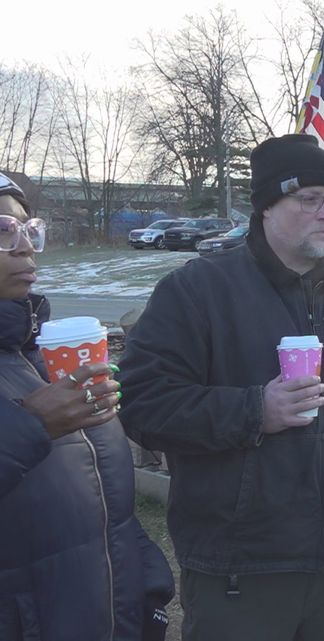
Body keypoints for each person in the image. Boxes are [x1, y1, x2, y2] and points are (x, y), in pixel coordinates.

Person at [116, 134, 324, 641]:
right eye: (309, 199)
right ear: (266, 206)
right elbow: (143, 403)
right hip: (243, 568)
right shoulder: (197, 292)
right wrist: (254, 410)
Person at [0, 172, 175, 641]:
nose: (26, 248)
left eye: (28, 229)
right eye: (3, 230)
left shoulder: (41, 357)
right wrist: (31, 426)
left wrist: (149, 588)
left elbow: (107, 500)